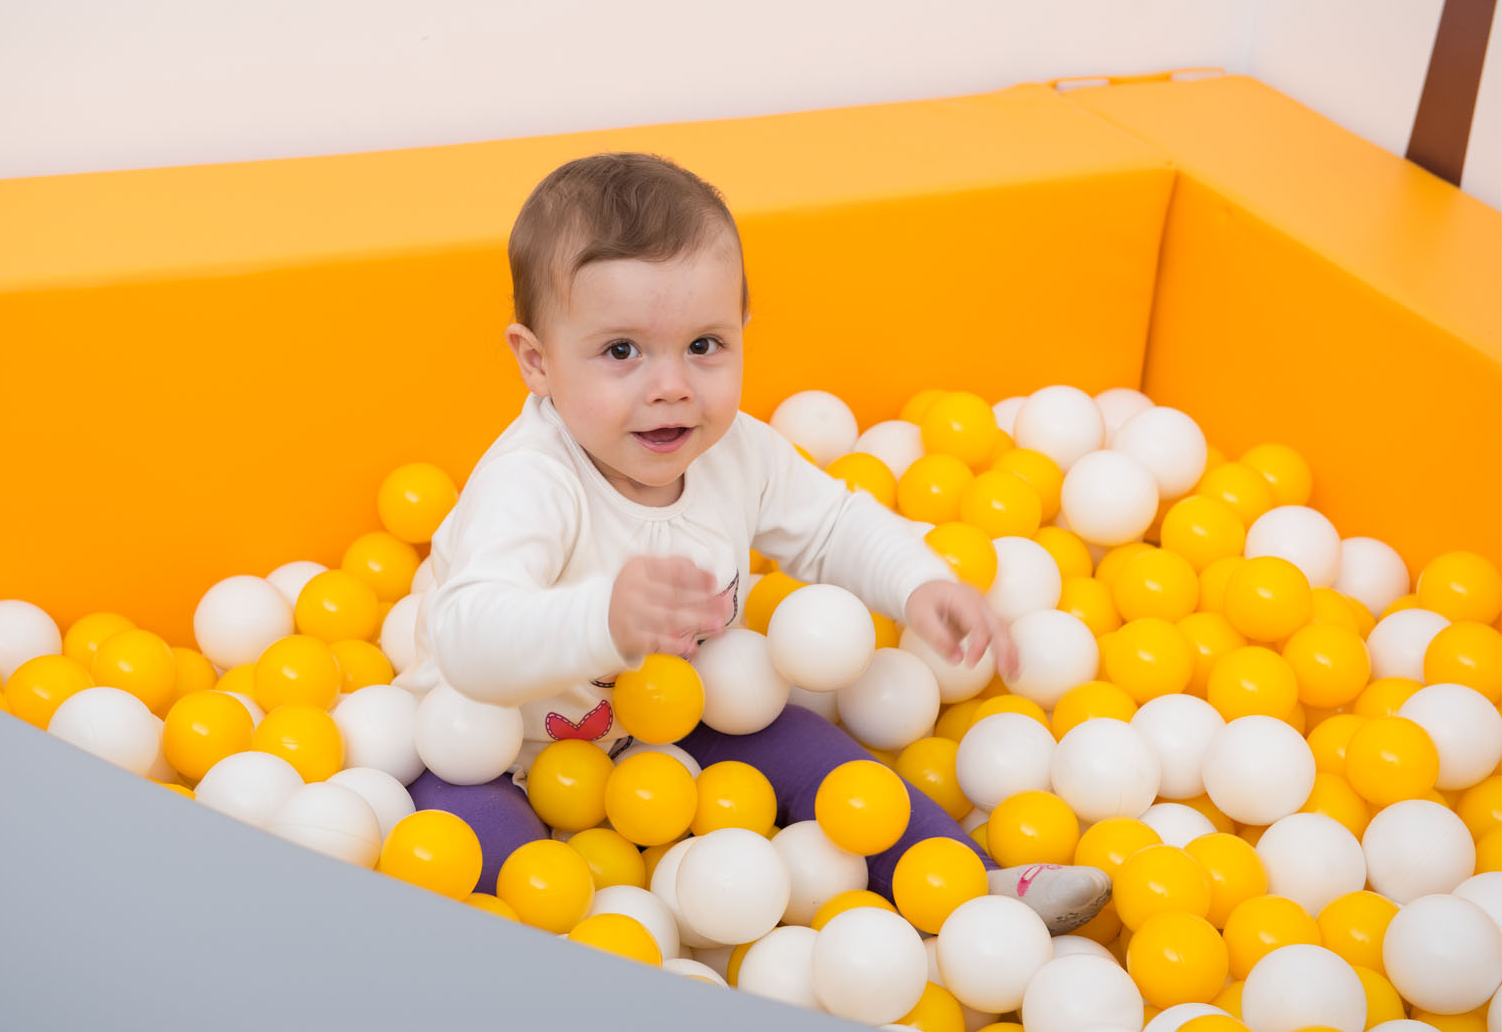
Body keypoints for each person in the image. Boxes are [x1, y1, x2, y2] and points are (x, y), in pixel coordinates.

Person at [404, 152, 1110, 934]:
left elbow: (834, 522)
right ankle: (595, 952)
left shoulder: (736, 450)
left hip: (674, 715)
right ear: (537, 362)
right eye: (620, 352)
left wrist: (917, 582)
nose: (670, 385)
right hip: (492, 742)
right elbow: (468, 635)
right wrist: (602, 619)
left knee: (818, 753)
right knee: (477, 842)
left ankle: (971, 891)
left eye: (703, 346)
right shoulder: (532, 481)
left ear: (742, 332)